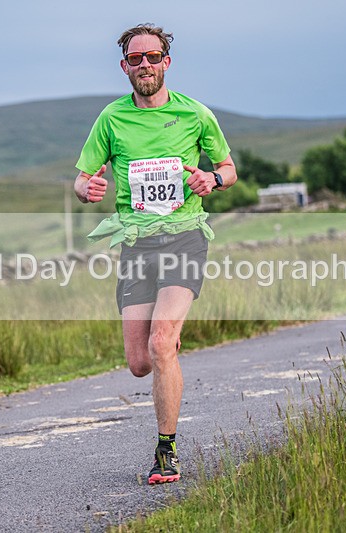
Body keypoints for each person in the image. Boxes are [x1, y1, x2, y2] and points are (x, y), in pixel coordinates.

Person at [74, 23, 237, 485]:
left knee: (162, 343)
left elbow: (228, 168)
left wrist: (214, 180)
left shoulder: (195, 114)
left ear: (167, 61)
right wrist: (89, 189)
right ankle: (165, 351)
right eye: (135, 58)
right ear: (124, 66)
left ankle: (166, 451)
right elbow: (82, 178)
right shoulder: (111, 119)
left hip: (185, 236)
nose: (144, 64)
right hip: (136, 245)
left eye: (152, 56)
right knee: (139, 362)